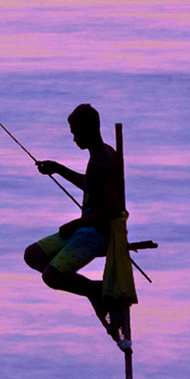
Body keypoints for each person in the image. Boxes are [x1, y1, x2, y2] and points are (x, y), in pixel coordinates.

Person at [24, 103, 129, 343]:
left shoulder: (101, 161)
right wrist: (58, 169)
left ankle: (96, 292)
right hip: (85, 229)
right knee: (33, 255)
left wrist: (74, 224)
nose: (74, 138)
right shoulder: (99, 156)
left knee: (51, 276)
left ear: (91, 130)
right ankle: (91, 289)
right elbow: (90, 184)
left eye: (76, 132)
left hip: (97, 233)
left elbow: (112, 207)